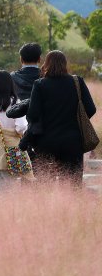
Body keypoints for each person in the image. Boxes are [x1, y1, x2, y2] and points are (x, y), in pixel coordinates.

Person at [26, 50, 96, 185]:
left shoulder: (40, 84)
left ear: (46, 64)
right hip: (72, 142)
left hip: (46, 143)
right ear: (65, 64)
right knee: (73, 187)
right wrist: (76, 121)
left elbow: (33, 114)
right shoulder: (77, 82)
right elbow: (91, 109)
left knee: (46, 186)